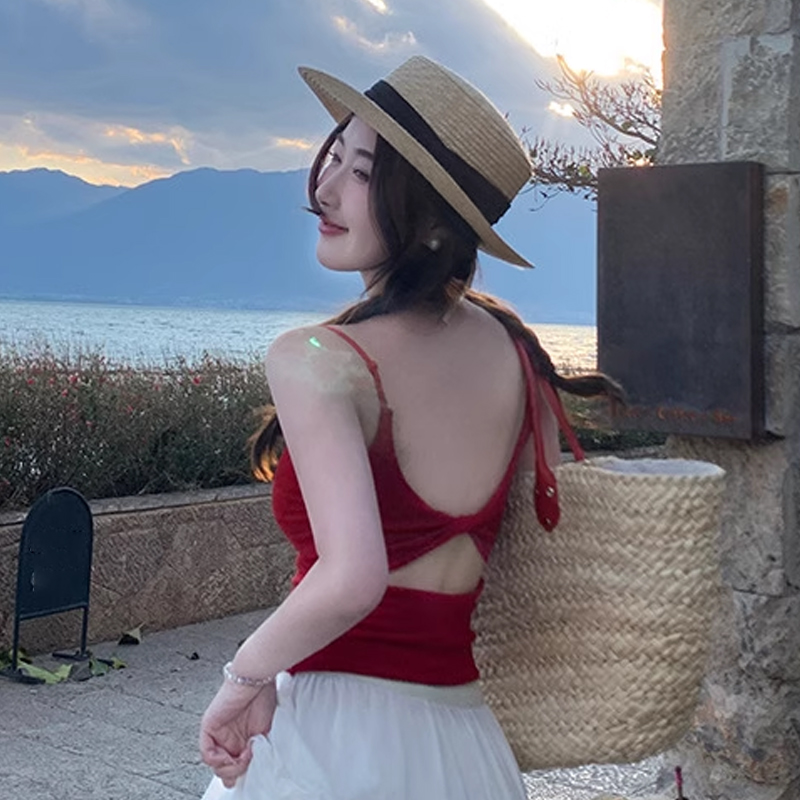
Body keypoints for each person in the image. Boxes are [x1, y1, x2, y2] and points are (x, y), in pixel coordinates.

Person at [198, 56, 620, 800]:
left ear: (427, 213)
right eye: (335, 156)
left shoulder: (319, 358)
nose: (325, 189)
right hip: (468, 745)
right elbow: (536, 545)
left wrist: (244, 678)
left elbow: (352, 579)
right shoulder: (517, 352)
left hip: (334, 744)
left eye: (361, 172)